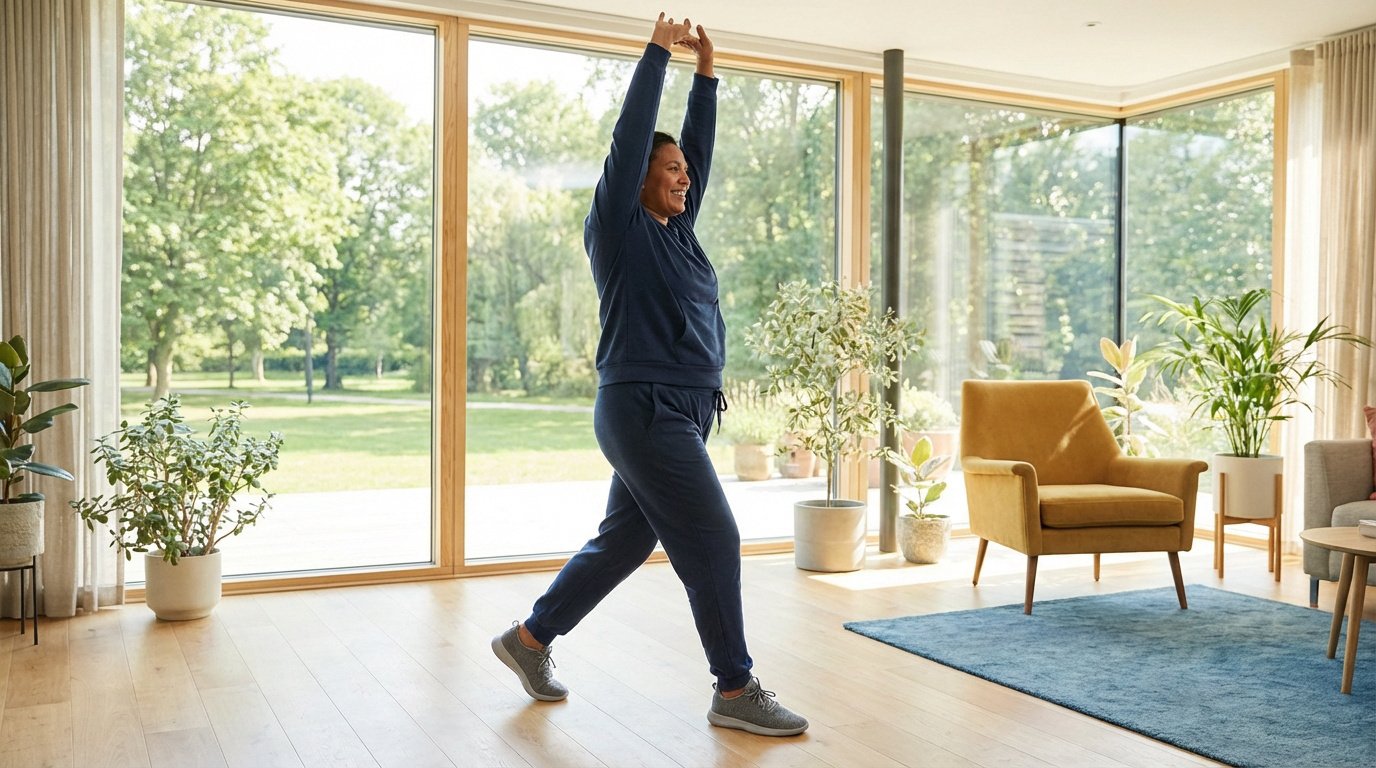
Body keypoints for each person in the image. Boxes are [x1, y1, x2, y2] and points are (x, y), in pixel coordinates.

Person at [490, 12, 809, 738]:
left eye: (683, 173)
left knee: (626, 541)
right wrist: (658, 57)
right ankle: (734, 687)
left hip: (682, 412)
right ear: (637, 180)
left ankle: (529, 640)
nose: (683, 177)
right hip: (644, 408)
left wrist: (708, 73)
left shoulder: (680, 234)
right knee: (715, 538)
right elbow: (632, 136)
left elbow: (698, 148)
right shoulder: (619, 226)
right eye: (668, 171)